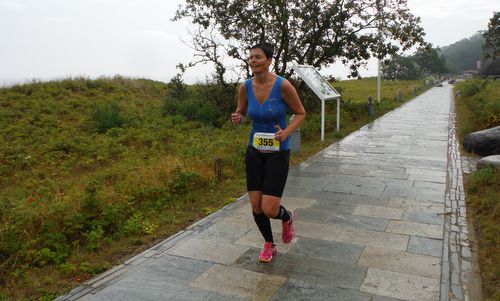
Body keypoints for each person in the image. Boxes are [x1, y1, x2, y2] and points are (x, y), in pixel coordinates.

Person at [231, 42, 306, 263]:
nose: (253, 60)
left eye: (258, 57)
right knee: (256, 205)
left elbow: (301, 113)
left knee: (270, 208)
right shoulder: (245, 87)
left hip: (277, 152)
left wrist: (287, 132)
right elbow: (242, 113)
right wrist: (238, 118)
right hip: (254, 151)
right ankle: (269, 244)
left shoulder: (283, 86)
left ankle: (287, 216)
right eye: (251, 57)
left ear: (270, 60)